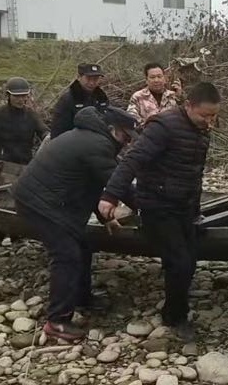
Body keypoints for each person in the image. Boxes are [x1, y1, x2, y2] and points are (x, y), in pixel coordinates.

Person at [97, 82, 221, 343]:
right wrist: (110, 195)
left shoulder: (202, 130)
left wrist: (195, 208)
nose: (210, 122)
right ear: (189, 106)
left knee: (189, 258)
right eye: (205, 116)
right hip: (157, 204)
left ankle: (176, 298)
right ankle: (174, 317)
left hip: (184, 205)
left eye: (213, 116)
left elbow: (193, 173)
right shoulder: (163, 127)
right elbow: (133, 160)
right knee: (181, 262)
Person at [12, 106, 138, 341]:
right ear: (112, 129)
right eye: (125, 136)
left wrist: (106, 218)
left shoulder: (92, 138)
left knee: (83, 244)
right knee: (66, 254)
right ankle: (57, 321)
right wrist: (150, 208)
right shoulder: (97, 145)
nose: (127, 142)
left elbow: (93, 185)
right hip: (38, 202)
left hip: (52, 197)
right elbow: (116, 185)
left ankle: (81, 297)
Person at [0, 77, 48, 164]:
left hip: (24, 165)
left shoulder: (31, 115)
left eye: (23, 96)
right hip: (1, 164)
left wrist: (47, 136)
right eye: (16, 96)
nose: (20, 99)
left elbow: (44, 132)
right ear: (8, 95)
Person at [50, 63, 109, 139]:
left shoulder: (102, 98)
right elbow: (57, 131)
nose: (92, 83)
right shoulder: (68, 100)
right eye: (88, 78)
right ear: (79, 77)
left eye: (95, 79)